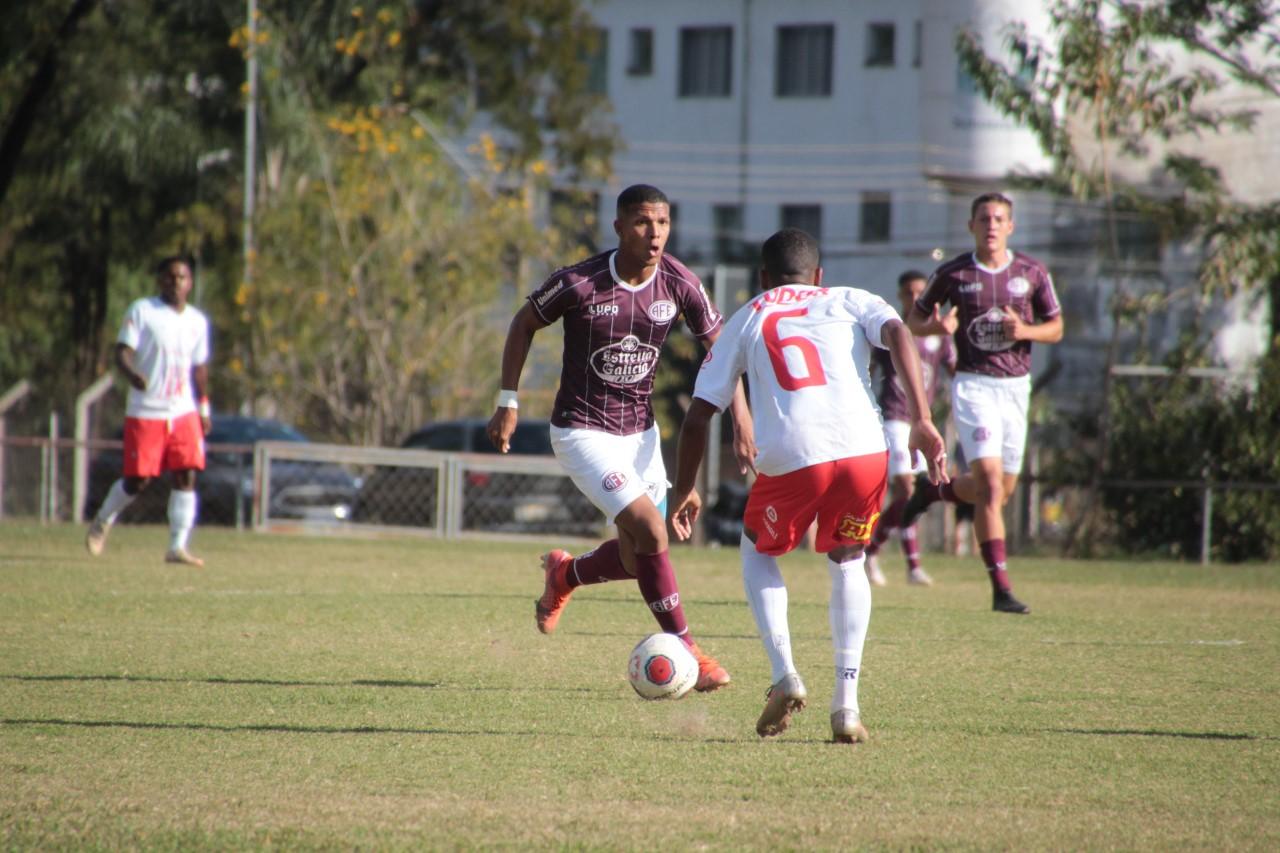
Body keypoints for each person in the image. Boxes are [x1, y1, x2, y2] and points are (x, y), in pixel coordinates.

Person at [669, 228, 947, 743]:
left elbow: (699, 415)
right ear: (819, 275)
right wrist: (924, 419)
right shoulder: (847, 298)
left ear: (762, 277)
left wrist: (687, 486)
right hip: (864, 449)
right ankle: (847, 706)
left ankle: (784, 674)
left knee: (756, 549)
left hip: (794, 454)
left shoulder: (748, 315)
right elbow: (902, 334)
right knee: (848, 558)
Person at [486, 184, 753, 693]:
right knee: (654, 532)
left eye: (663, 224)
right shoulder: (579, 282)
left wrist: (741, 416)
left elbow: (723, 353)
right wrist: (508, 400)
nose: (654, 235)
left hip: (641, 434)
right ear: (619, 228)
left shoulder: (679, 282)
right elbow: (523, 324)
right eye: (641, 223)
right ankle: (690, 650)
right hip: (582, 430)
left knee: (637, 560)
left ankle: (565, 575)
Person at [900, 192, 1063, 614]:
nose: (991, 225)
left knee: (1000, 492)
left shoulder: (1032, 272)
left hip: (1015, 388)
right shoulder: (954, 273)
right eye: (983, 218)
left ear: (1011, 227)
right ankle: (1001, 589)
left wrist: (1024, 331)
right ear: (971, 226)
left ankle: (934, 491)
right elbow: (913, 322)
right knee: (989, 485)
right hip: (973, 385)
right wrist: (937, 324)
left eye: (999, 219)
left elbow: (1057, 327)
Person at [85, 255, 212, 566]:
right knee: (138, 480)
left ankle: (176, 547)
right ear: (160, 281)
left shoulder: (197, 321)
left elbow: (199, 369)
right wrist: (131, 375)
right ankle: (103, 519)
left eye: (181, 278)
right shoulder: (143, 311)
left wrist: (203, 407)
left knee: (186, 474)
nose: (175, 283)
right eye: (169, 277)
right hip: (147, 410)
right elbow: (122, 351)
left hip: (182, 410)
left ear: (190, 283)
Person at [863, 270, 957, 588]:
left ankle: (875, 552)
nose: (916, 298)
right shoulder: (889, 330)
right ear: (901, 296)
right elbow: (870, 367)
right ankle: (908, 564)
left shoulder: (941, 337)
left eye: (921, 292)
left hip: (922, 420)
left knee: (912, 493)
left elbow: (956, 371)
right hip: (893, 416)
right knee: (905, 488)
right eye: (909, 293)